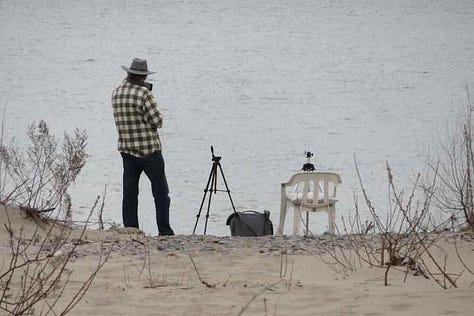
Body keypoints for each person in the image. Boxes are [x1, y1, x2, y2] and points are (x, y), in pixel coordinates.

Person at [111, 58, 174, 236]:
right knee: (161, 193)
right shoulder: (144, 94)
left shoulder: (116, 92)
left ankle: (131, 230)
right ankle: (164, 231)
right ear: (143, 76)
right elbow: (158, 121)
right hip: (149, 150)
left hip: (127, 149)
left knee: (130, 194)